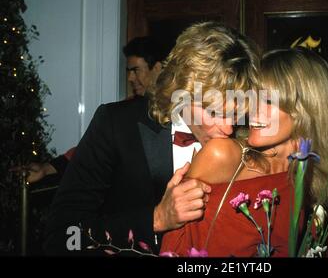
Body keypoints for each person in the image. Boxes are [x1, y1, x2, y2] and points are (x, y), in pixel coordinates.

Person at [43, 21, 260, 255]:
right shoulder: (116, 125)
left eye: (236, 113)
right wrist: (156, 219)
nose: (228, 128)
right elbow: (62, 236)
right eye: (215, 112)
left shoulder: (249, 139)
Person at [160, 48, 328, 257]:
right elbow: (174, 244)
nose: (252, 110)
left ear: (306, 112)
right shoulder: (224, 156)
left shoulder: (317, 185)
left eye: (269, 101)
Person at [11, 36, 169, 184]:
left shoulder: (184, 109)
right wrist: (46, 169)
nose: (130, 78)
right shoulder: (124, 112)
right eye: (129, 71)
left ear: (157, 68)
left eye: (135, 70)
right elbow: (90, 151)